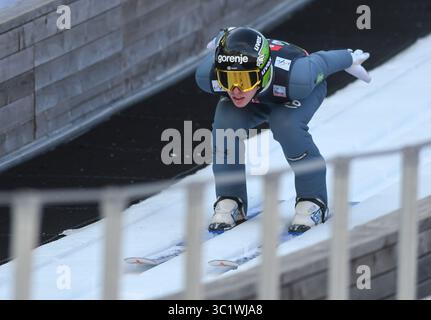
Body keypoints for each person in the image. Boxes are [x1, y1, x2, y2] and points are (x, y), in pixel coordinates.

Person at [195, 27, 371, 235]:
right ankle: (230, 197)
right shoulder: (208, 76)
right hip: (260, 95)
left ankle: (312, 199)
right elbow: (223, 48)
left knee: (286, 124)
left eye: (244, 80)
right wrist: (223, 38)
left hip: (292, 92)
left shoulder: (298, 77)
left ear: (264, 71)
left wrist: (348, 58)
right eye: (228, 80)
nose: (236, 90)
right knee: (225, 127)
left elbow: (322, 61)